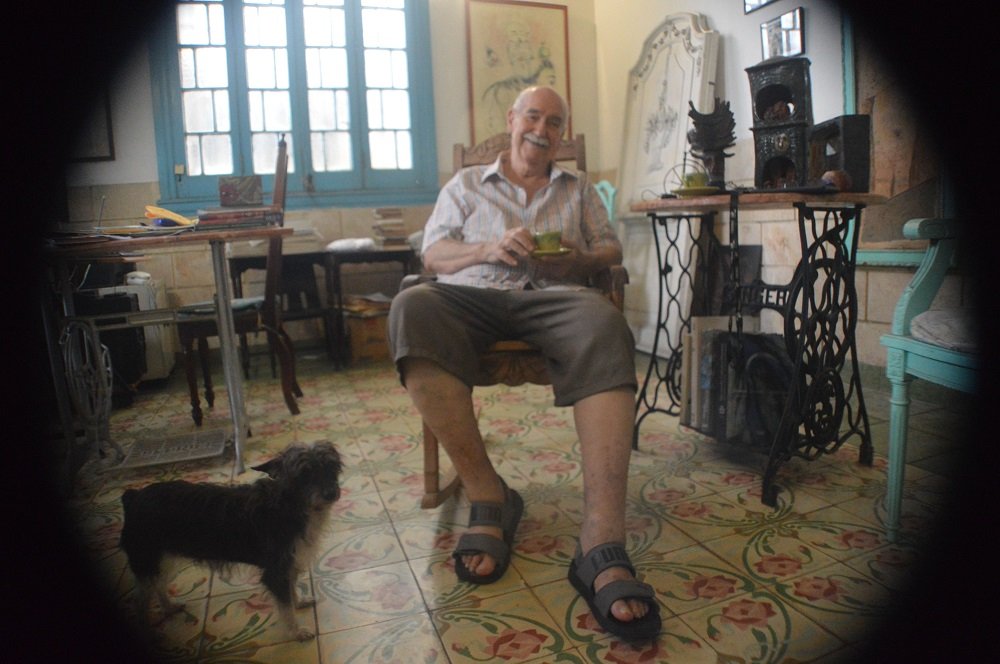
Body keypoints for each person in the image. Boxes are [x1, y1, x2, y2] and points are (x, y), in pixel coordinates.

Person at [387, 86, 661, 643]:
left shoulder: (579, 189)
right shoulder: (464, 186)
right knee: (412, 306)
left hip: (556, 296)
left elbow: (610, 251)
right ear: (511, 120)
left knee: (606, 324)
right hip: (474, 296)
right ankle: (489, 494)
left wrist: (577, 259)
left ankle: (601, 538)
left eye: (554, 121)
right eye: (532, 116)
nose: (542, 128)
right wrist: (487, 250)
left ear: (562, 134)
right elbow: (434, 255)